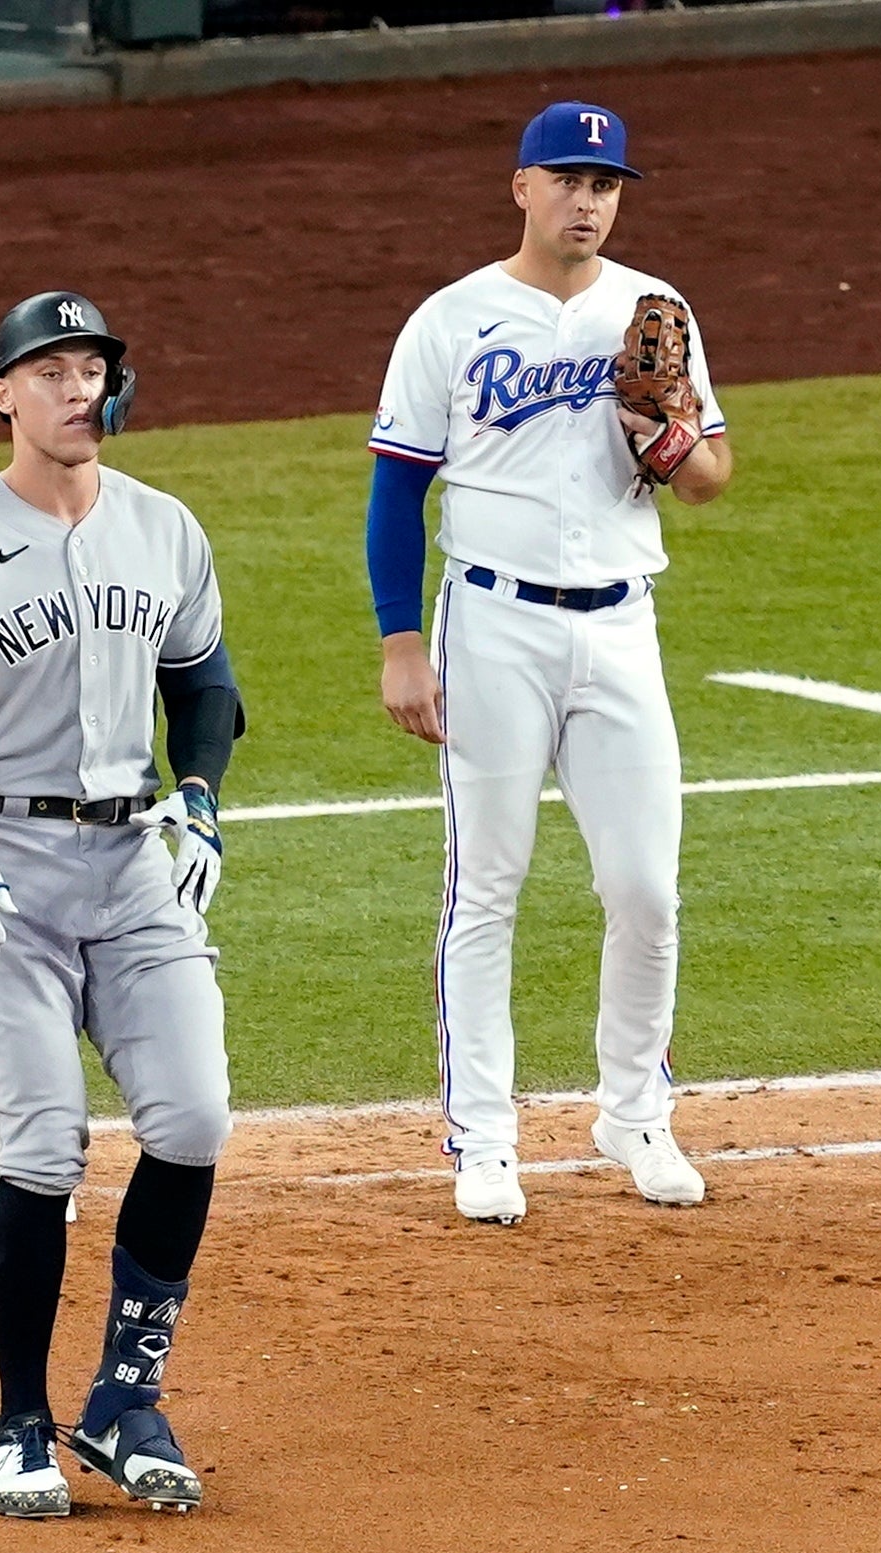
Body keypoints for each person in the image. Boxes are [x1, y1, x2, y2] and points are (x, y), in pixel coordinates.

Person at [0, 291, 244, 1517]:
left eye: (94, 367)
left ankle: (124, 1395)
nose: (81, 387)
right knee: (42, 1147)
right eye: (54, 368)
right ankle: (19, 1415)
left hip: (135, 862)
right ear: (3, 394)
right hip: (2, 867)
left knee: (191, 1118)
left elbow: (203, 683)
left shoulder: (165, 528)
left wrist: (197, 797)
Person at [364, 101, 735, 1223]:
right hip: (490, 626)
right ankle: (482, 1136)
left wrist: (665, 439)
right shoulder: (450, 318)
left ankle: (634, 1111)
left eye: (605, 183)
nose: (586, 199)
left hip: (621, 625)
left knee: (648, 891)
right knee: (487, 887)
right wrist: (399, 642)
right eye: (566, 178)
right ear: (519, 185)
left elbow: (713, 474)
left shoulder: (653, 309)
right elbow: (395, 489)